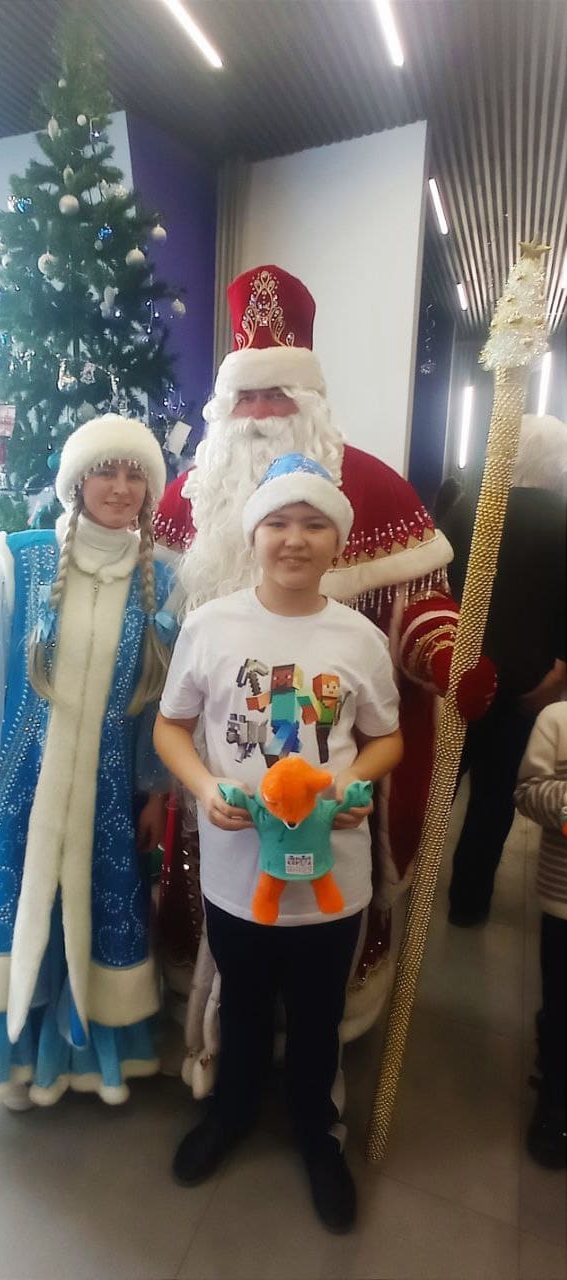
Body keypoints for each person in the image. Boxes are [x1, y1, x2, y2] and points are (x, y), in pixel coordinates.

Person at [154, 264, 493, 1082]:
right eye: (247, 397)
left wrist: (447, 658)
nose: (261, 414)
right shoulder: (185, 498)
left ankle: (314, 1095)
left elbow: (416, 610)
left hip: (326, 812)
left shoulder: (374, 490)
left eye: (278, 396)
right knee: (226, 932)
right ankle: (226, 1067)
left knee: (317, 968)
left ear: (310, 398)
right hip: (218, 795)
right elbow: (157, 669)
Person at [154, 453, 403, 1232]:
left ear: (338, 541)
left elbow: (386, 738)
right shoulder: (211, 626)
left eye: (313, 524)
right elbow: (171, 728)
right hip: (238, 873)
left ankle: (315, 1134)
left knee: (319, 1014)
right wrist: (205, 788)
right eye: (279, 523)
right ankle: (230, 1113)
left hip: (332, 879)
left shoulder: (359, 638)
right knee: (245, 1001)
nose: (295, 539)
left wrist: (351, 784)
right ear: (253, 534)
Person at [0, 414, 174, 1109]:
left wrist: (155, 792)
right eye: (106, 472)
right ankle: (7, 1061)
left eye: (134, 476)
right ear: (76, 482)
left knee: (93, 909)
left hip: (107, 791)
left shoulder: (162, 579)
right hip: (22, 783)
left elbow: (159, 701)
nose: (120, 488)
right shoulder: (22, 557)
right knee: (15, 908)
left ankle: (80, 1060)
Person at [439, 414, 567, 926]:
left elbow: (438, 587)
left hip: (461, 676)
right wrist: (559, 673)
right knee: (495, 799)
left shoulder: (469, 508)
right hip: (530, 683)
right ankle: (468, 904)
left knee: (437, 787)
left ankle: (405, 883)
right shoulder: (564, 517)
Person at [514, 701, 567, 1170]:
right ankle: (555, 1096)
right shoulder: (558, 720)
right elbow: (529, 792)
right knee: (562, 1003)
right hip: (565, 900)